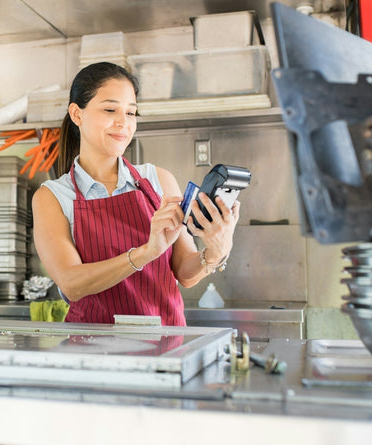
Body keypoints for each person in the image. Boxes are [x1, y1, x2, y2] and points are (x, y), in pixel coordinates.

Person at [32, 62, 240, 326]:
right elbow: (72, 284)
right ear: (77, 114)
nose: (123, 123)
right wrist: (146, 253)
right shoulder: (52, 197)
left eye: (131, 113)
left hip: (165, 348)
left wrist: (215, 251)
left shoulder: (159, 180)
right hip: (93, 352)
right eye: (110, 109)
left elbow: (185, 274)